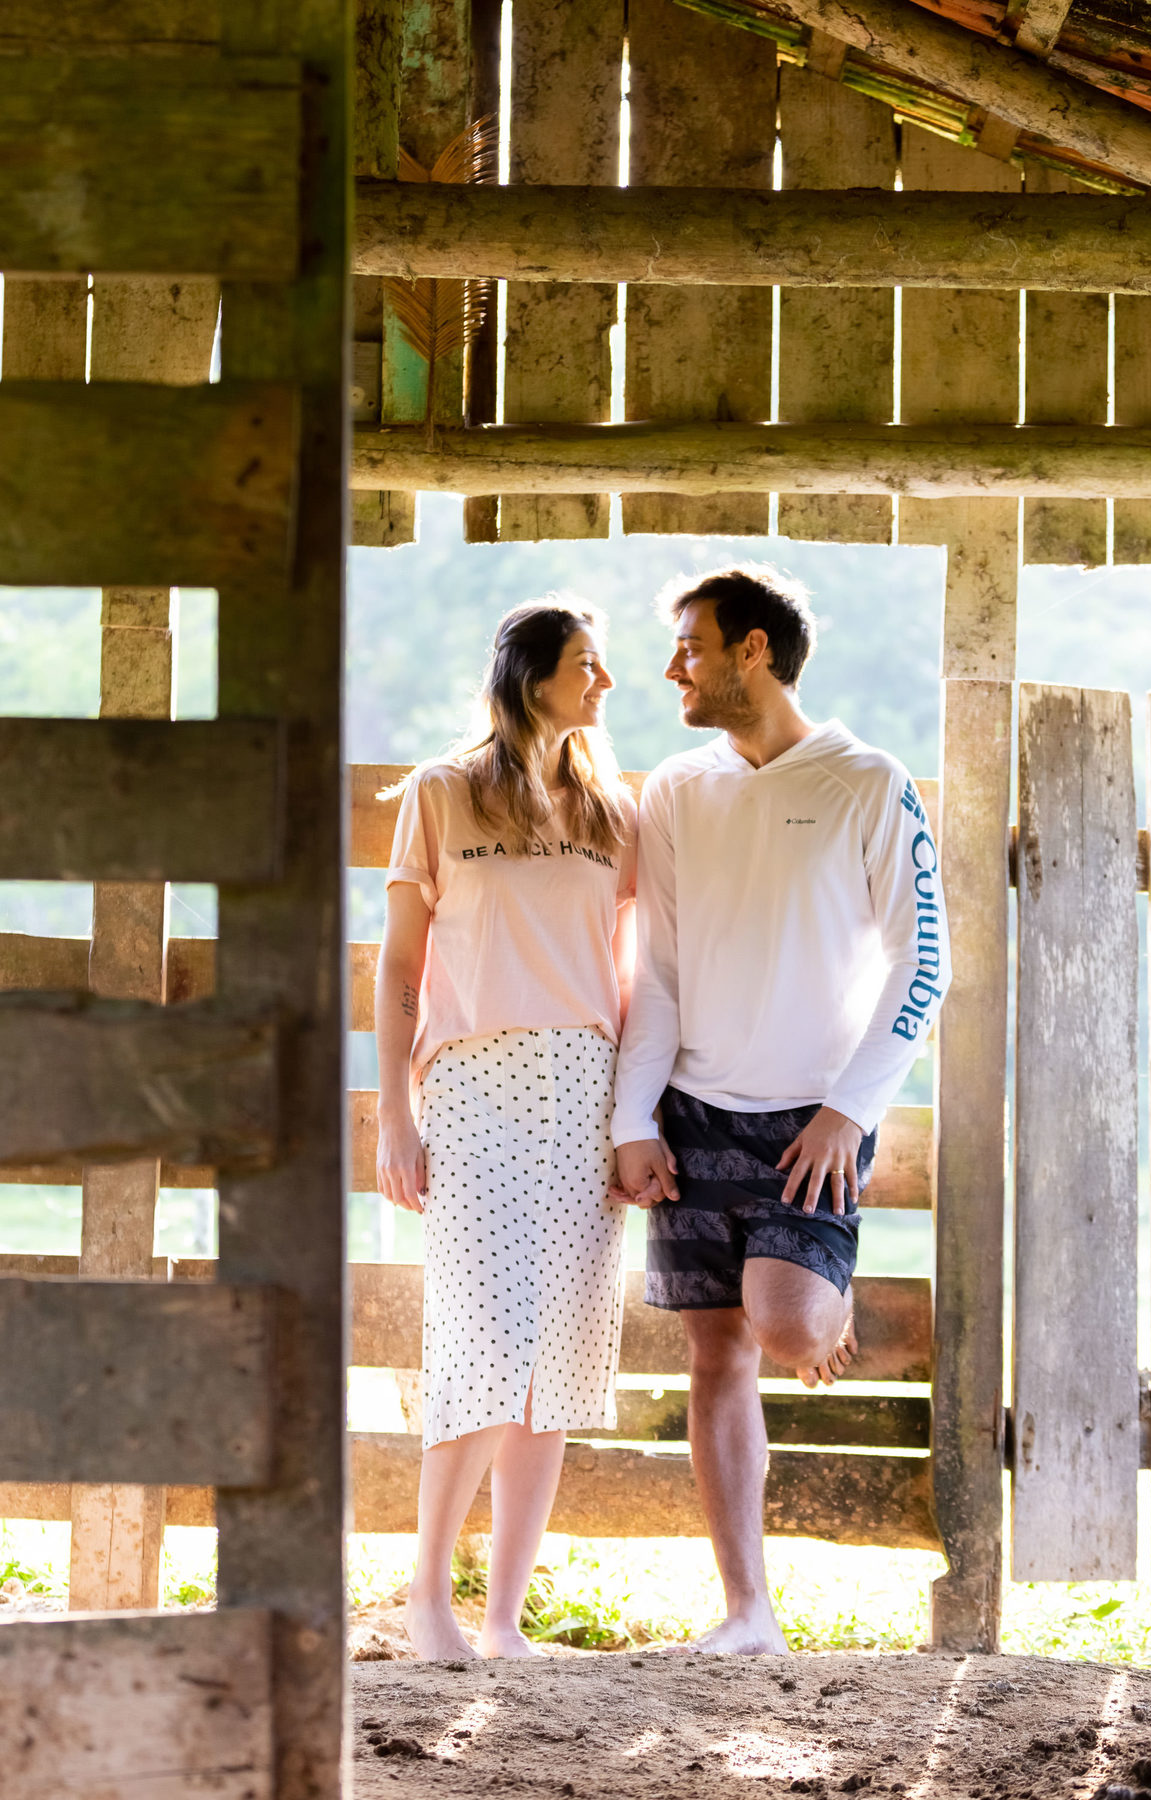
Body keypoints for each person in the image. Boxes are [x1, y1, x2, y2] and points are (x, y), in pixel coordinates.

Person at [612, 563, 950, 1656]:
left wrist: (851, 1111)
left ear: (753, 650)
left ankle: (820, 1297)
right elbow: (656, 970)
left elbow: (923, 962)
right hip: (694, 1113)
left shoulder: (867, 780)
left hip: (814, 1121)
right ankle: (747, 1612)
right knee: (718, 1352)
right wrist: (634, 1119)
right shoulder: (677, 788)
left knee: (791, 1325)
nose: (674, 669)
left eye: (692, 646)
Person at [375, 597, 636, 1660]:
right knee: (480, 1341)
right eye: (586, 663)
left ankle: (503, 1620)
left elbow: (635, 974)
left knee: (556, 1356)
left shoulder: (615, 810)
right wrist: (395, 1113)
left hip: (585, 1089)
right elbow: (400, 966)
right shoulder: (440, 793)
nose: (604, 681)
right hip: (473, 1086)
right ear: (531, 676)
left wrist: (635, 1114)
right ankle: (427, 1598)